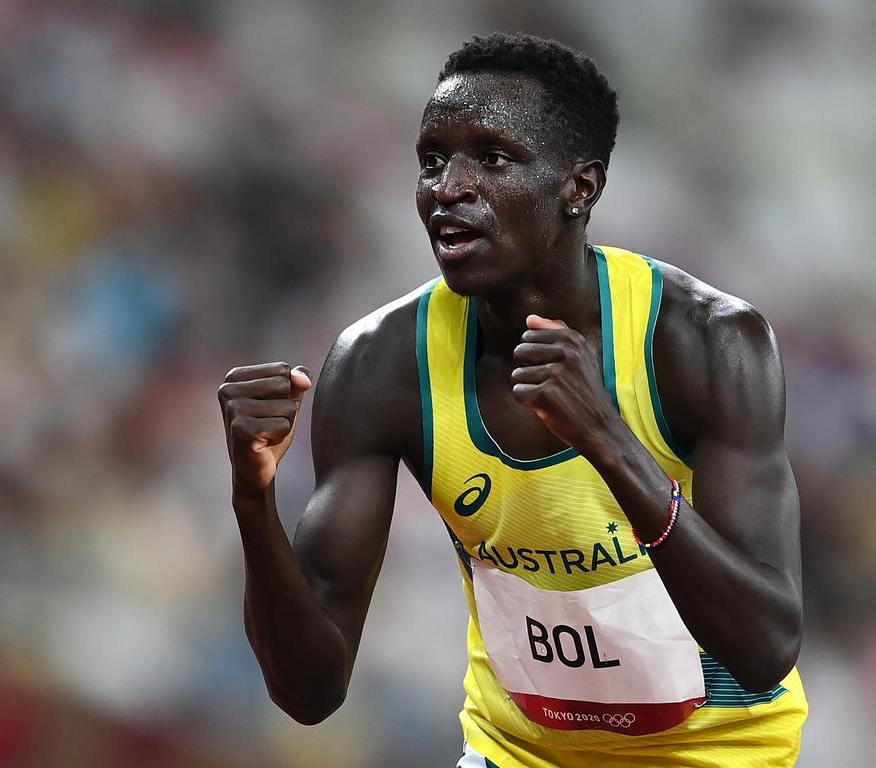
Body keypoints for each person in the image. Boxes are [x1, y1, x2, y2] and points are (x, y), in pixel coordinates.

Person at [217, 32, 808, 768]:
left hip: (721, 758)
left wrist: (609, 439)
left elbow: (765, 650)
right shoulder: (381, 364)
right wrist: (252, 498)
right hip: (517, 755)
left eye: (492, 159)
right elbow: (309, 693)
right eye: (433, 160)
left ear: (579, 188)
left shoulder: (706, 344)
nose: (448, 188)